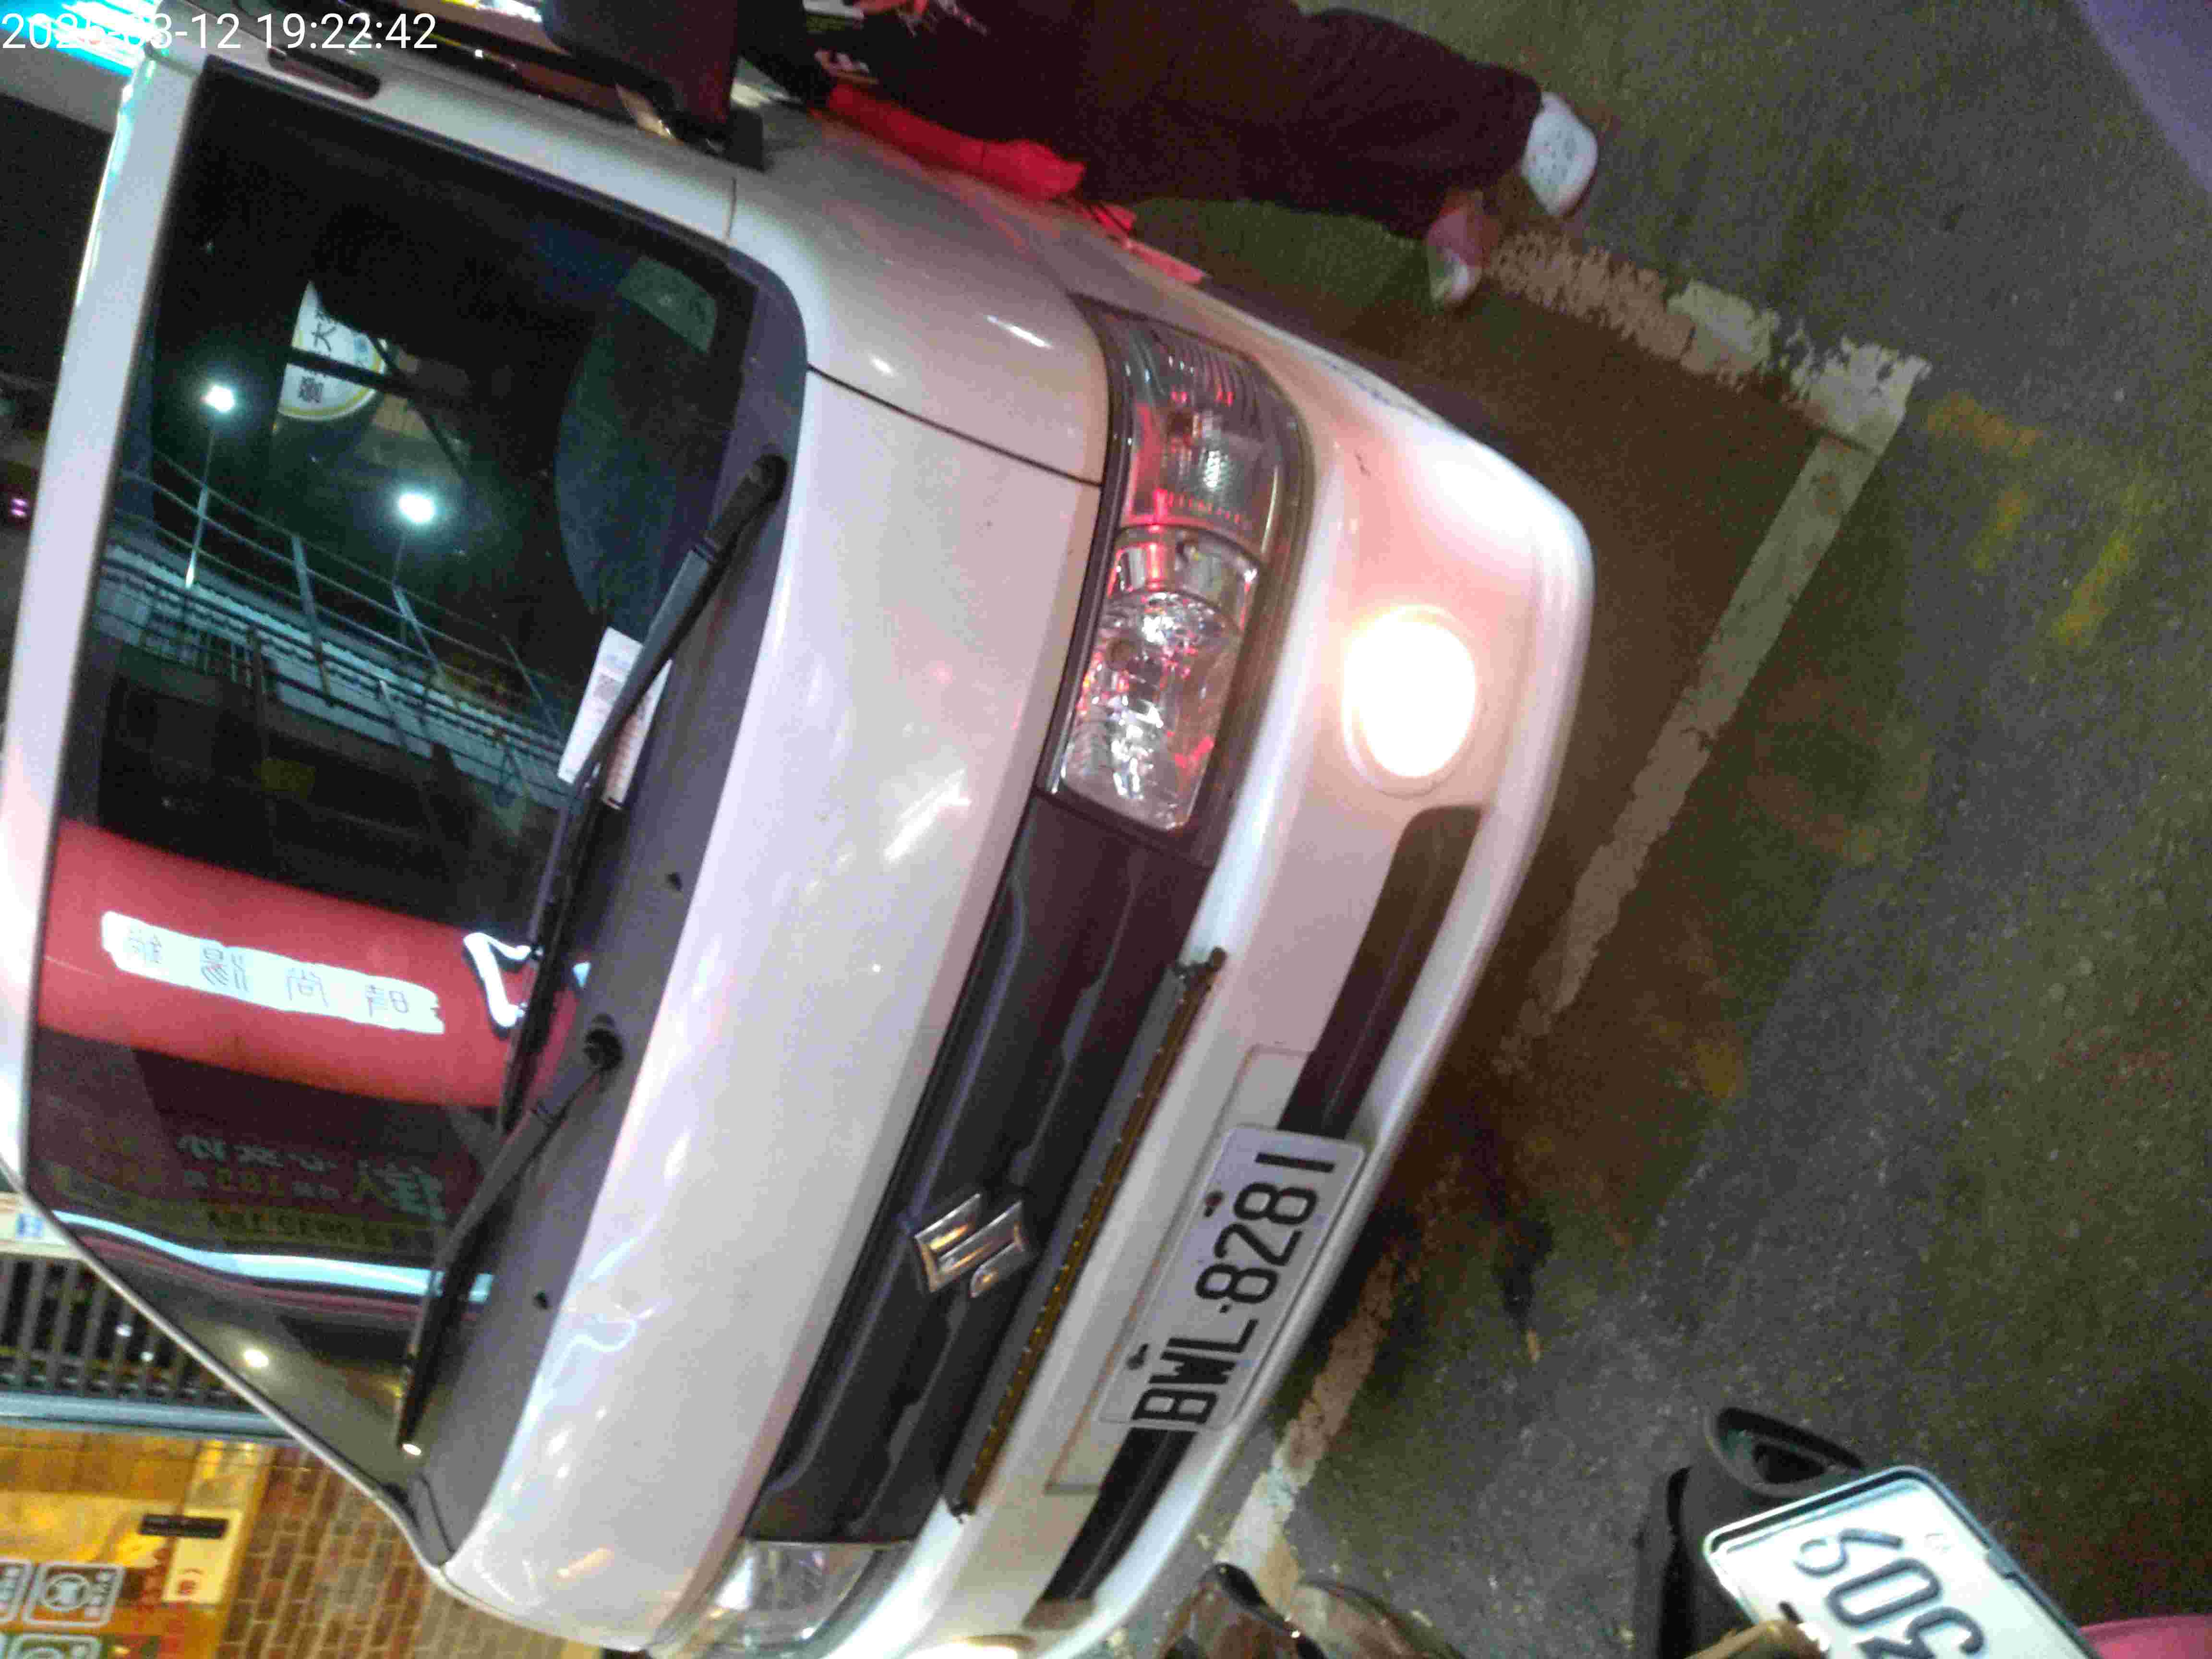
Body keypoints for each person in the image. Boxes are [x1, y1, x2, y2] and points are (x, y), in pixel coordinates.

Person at [741, 0, 1600, 304]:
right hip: (1045, 116)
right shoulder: (733, 27)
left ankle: (1514, 122)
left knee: (1294, 71)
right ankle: (1433, 208)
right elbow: (846, 97)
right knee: (1254, 165)